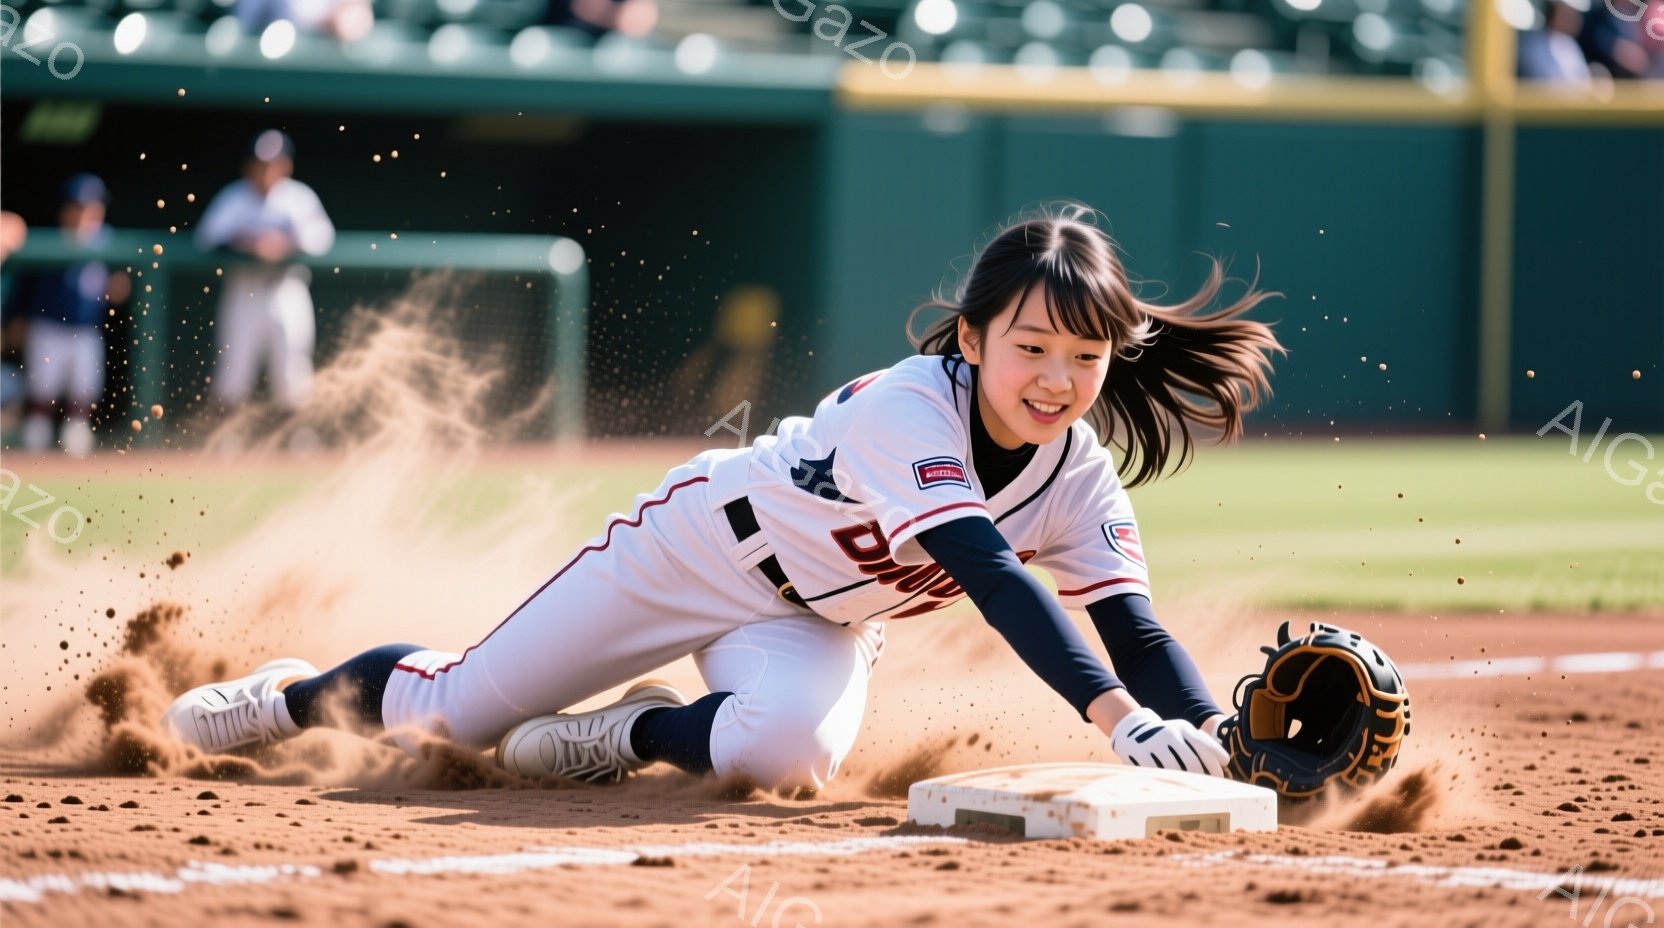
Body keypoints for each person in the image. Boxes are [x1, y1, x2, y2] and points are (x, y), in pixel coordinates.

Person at [161, 205, 1284, 791]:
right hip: (690, 550)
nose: (1056, 377)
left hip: (811, 619)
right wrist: (1115, 720)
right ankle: (288, 697)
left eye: (1084, 357)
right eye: (1030, 344)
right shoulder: (910, 407)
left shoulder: (1076, 470)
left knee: (784, 756)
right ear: (973, 335)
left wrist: (1204, 735)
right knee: (444, 720)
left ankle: (630, 732)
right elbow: (989, 574)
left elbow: (1129, 623)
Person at [195, 130, 335, 429]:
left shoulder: (299, 197)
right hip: (244, 292)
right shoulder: (234, 197)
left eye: (274, 164)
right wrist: (247, 240)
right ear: (249, 166)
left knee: (293, 373)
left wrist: (283, 242)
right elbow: (206, 237)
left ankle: (299, 438)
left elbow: (322, 238)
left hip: (287, 290)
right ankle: (226, 439)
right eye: (261, 164)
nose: (267, 171)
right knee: (234, 373)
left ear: (286, 166)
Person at [6, 175, 129, 457]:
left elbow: (120, 281)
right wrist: (16, 317)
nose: (85, 214)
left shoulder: (106, 240)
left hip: (85, 329)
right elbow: (24, 286)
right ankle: (37, 439)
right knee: (43, 389)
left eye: (91, 208)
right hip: (47, 326)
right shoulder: (48, 240)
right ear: (65, 209)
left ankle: (75, 439)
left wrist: (119, 287)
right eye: (78, 207)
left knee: (84, 389)